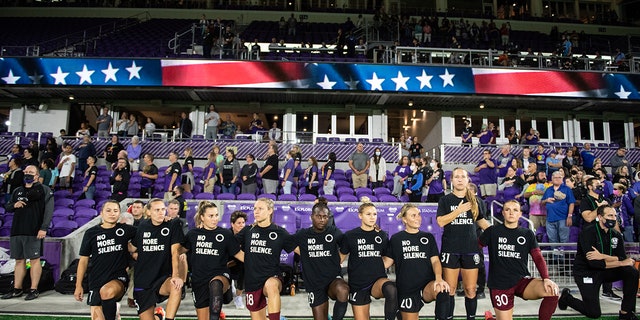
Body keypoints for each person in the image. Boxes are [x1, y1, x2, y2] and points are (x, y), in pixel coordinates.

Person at [479, 200, 559, 320]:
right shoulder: (492, 231)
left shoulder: (527, 234)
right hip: (500, 284)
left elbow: (537, 257)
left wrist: (546, 278)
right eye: (507, 210)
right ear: (503, 213)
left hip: (521, 281)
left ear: (520, 214)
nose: (511, 213)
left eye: (515, 210)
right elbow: (475, 247)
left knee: (552, 290)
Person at [558, 205, 639, 320]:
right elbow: (594, 263)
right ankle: (567, 298)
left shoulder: (616, 235)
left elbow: (621, 257)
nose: (613, 218)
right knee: (594, 313)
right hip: (586, 272)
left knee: (632, 272)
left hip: (605, 270)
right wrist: (618, 261)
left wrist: (603, 256)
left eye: (615, 216)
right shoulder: (588, 233)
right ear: (600, 217)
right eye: (610, 215)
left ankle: (626, 313)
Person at [436, 167, 490, 320]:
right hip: (451, 249)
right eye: (456, 177)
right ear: (452, 180)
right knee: (450, 289)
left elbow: (481, 221)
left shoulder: (476, 201)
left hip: (471, 249)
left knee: (471, 289)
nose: (460, 179)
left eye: (463, 176)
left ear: (468, 180)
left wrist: (498, 233)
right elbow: (440, 222)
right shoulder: (445, 200)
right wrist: (458, 211)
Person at [180, 201, 244, 320]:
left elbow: (240, 255)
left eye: (216, 215)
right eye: (211, 216)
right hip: (199, 280)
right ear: (202, 217)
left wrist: (262, 261)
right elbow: (178, 250)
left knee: (216, 284)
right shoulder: (193, 234)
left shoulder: (225, 234)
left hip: (220, 276)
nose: (215, 219)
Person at [73, 200, 137, 320]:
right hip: (96, 280)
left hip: (118, 278)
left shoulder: (126, 230)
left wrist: (164, 220)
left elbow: (148, 231)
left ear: (119, 213)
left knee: (106, 291)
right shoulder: (91, 233)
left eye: (115, 211)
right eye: (108, 210)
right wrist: (78, 285)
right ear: (101, 213)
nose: (112, 213)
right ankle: (113, 312)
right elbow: (83, 261)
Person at [236, 198, 296, 320]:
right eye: (255, 209)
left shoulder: (279, 232)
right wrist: (248, 259)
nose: (256, 212)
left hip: (272, 277)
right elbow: (230, 247)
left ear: (270, 211)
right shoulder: (248, 231)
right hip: (252, 281)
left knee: (271, 285)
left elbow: (299, 250)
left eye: (260, 209)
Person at [387, 204, 450, 320]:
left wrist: (439, 278)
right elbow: (387, 262)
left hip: (427, 285)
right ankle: (401, 313)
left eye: (419, 215)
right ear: (404, 219)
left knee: (442, 290)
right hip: (407, 288)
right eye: (413, 215)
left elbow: (435, 261)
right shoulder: (396, 239)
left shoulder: (428, 237)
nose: (418, 218)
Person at [2, 165, 53, 301]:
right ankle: (17, 289)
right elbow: (7, 206)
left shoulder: (44, 190)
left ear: (37, 175)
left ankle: (34, 289)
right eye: (26, 172)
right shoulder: (17, 190)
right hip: (17, 230)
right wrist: (14, 205)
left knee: (34, 260)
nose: (28, 174)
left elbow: (49, 211)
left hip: (34, 230)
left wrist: (44, 228)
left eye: (31, 172)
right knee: (19, 260)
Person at [291, 202, 349, 320]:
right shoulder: (303, 234)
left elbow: (346, 246)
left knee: (343, 290)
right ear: (312, 216)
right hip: (314, 282)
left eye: (325, 217)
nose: (322, 219)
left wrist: (338, 260)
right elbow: (287, 243)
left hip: (333, 279)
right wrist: (305, 254)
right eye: (319, 216)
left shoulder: (334, 231)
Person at [340, 202, 398, 320]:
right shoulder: (350, 235)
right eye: (368, 214)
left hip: (377, 280)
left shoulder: (381, 235)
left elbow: (388, 258)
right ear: (360, 216)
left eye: (375, 214)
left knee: (391, 290)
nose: (372, 217)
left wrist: (377, 264)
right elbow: (340, 258)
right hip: (358, 283)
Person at [130, 198, 186, 320]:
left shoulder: (172, 224)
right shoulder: (142, 226)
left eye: (162, 209)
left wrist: (176, 275)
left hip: (162, 279)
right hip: (143, 281)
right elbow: (132, 248)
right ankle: (158, 316)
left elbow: (175, 252)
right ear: (148, 212)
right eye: (157, 210)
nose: (161, 213)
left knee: (176, 286)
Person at [541, 171, 575, 246]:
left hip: (563, 218)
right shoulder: (548, 189)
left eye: (559, 177)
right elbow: (542, 202)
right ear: (552, 179)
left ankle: (562, 257)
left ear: (562, 179)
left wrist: (569, 216)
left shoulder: (567, 189)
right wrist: (547, 200)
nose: (557, 179)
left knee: (563, 239)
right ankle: (555, 257)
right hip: (550, 218)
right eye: (555, 177)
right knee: (552, 240)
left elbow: (571, 203)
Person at [228, 211, 247, 309]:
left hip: (241, 263)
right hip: (227, 263)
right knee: (226, 299)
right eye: (239, 223)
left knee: (244, 266)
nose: (242, 225)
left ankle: (239, 296)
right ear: (232, 224)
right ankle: (229, 285)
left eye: (243, 223)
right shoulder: (227, 234)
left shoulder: (247, 236)